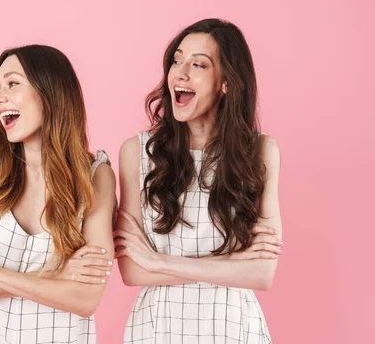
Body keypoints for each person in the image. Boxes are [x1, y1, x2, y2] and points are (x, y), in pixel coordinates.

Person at [116, 19, 282, 343]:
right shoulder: (136, 152)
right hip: (156, 329)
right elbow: (132, 271)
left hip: (234, 328)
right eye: (177, 60)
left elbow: (261, 274)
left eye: (198, 64)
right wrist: (231, 266)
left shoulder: (260, 151)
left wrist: (158, 261)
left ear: (226, 83)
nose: (180, 73)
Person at [0, 45, 116, 344]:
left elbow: (86, 299)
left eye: (12, 83)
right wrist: (56, 278)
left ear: (50, 92)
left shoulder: (96, 176)